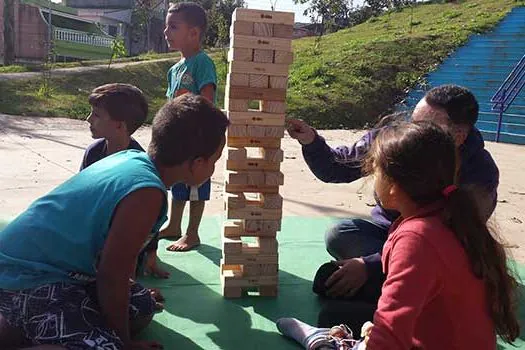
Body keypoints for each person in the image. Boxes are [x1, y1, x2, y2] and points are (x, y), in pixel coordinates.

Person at [0, 94, 229, 349]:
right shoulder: (146, 193)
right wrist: (123, 343)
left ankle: (28, 327)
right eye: (215, 160)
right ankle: (17, 325)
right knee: (108, 346)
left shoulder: (134, 160)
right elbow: (111, 275)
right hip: (24, 279)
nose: (213, 168)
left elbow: (118, 262)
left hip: (56, 272)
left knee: (141, 305)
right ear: (197, 163)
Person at [277, 121, 519, 349]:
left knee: (333, 315)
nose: (372, 177)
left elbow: (388, 341)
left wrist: (371, 338)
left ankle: (331, 343)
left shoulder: (417, 239)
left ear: (393, 185)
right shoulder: (446, 215)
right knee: (335, 307)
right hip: (443, 333)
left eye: (376, 171)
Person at [287, 85, 499, 323]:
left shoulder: (480, 174)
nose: (411, 128)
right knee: (341, 234)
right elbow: (339, 165)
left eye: (424, 125)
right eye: (413, 119)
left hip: (434, 254)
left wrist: (370, 266)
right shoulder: (399, 139)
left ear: (458, 136)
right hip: (392, 239)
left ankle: (397, 295)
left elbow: (451, 243)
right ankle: (384, 287)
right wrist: (311, 141)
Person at [80, 83, 168, 279]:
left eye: (96, 115)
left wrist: (151, 253)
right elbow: (81, 199)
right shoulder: (93, 153)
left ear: (119, 125)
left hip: (125, 235)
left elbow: (151, 216)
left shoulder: (139, 163)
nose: (88, 119)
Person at [159, 2, 218, 252]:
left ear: (194, 33)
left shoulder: (202, 63)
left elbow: (207, 101)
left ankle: (192, 233)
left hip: (197, 139)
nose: (166, 32)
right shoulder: (174, 69)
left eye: (173, 27)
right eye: (166, 26)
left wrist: (187, 100)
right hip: (178, 138)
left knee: (196, 185)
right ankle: (174, 225)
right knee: (179, 182)